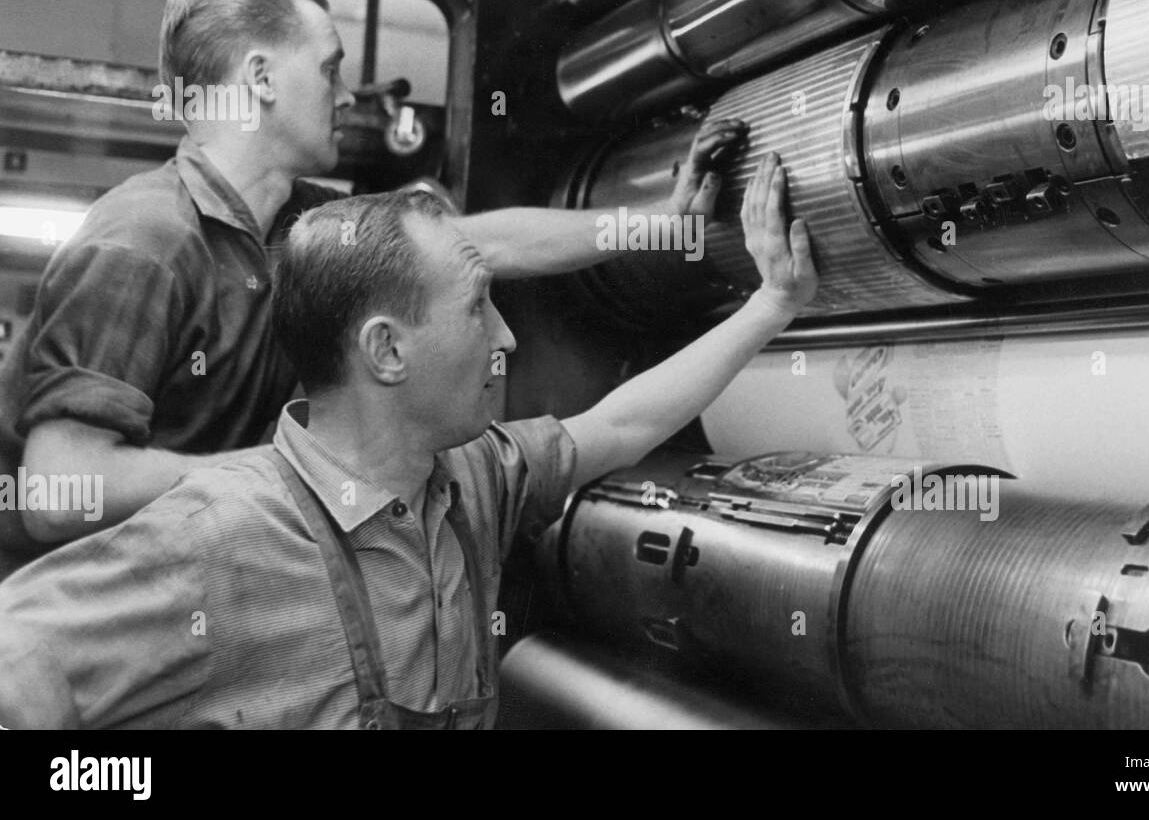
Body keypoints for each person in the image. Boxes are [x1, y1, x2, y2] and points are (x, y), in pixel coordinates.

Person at [0, 153, 816, 729]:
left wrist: (772, 304)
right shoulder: (215, 536)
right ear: (387, 351)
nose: (507, 337)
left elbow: (620, 424)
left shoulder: (471, 480)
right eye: (477, 307)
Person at [0, 0, 745, 570]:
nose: (345, 91)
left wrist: (654, 225)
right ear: (260, 78)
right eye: (327, 67)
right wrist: (278, 478)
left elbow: (476, 244)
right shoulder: (142, 242)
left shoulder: (302, 223)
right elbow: (58, 489)